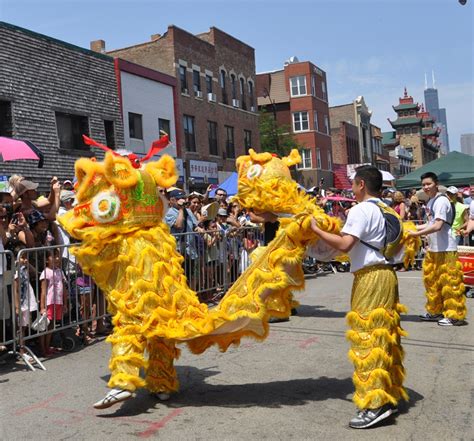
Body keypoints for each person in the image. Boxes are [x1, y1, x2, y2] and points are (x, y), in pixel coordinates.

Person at [310, 165, 406, 429]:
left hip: (371, 277)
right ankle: (387, 394)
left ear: (361, 184)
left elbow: (344, 245)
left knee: (367, 338)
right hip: (386, 274)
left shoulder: (361, 210)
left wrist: (316, 230)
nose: (350, 188)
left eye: (353, 183)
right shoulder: (385, 208)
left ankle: (376, 405)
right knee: (384, 336)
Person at [408, 173, 467, 326]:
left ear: (436, 184)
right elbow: (430, 224)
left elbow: (438, 225)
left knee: (450, 283)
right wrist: (408, 227)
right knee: (433, 282)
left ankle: (454, 315)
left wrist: (416, 233)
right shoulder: (431, 202)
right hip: (434, 249)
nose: (426, 187)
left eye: (428, 184)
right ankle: (435, 311)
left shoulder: (441, 201)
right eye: (423, 185)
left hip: (446, 249)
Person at [164, 189, 199, 289]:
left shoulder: (188, 211)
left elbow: (195, 226)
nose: (183, 200)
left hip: (190, 250)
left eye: (184, 198)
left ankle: (192, 297)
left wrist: (200, 228)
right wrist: (180, 209)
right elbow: (178, 225)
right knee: (179, 278)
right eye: (180, 199)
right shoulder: (169, 212)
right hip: (178, 251)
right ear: (172, 200)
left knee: (191, 275)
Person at [39, 248, 69, 357]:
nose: (56, 258)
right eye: (53, 256)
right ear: (46, 260)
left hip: (58, 301)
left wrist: (65, 303)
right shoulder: (46, 272)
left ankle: (47, 347)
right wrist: (42, 307)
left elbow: (64, 289)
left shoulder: (59, 271)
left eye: (57, 256)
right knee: (45, 327)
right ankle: (43, 349)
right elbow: (43, 291)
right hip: (49, 302)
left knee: (51, 326)